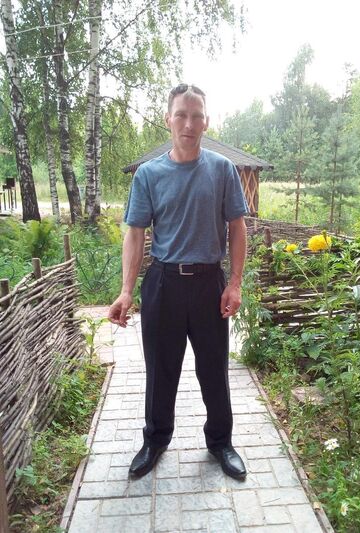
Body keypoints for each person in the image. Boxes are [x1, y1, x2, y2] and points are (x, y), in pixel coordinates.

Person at [108, 83, 248, 480]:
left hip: (208, 285)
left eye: (196, 115)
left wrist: (235, 283)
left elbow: (237, 228)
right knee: (161, 369)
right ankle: (155, 440)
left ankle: (221, 442)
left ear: (206, 121)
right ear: (168, 119)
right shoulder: (149, 175)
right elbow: (135, 234)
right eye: (181, 115)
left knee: (214, 368)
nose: (189, 123)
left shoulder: (222, 170)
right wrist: (125, 291)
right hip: (163, 284)